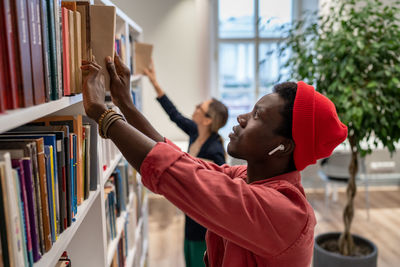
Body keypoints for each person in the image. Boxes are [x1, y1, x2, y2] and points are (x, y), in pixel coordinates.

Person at [81, 55, 348, 267]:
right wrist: (125, 104)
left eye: (257, 115)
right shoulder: (244, 177)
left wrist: (102, 115)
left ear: (282, 146)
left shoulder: (285, 212)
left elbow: (183, 176)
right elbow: (183, 161)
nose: (241, 118)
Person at [143, 62, 228, 267]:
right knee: (188, 257)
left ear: (208, 120)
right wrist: (154, 82)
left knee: (200, 259)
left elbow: (219, 187)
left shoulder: (215, 150)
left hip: (205, 219)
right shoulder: (195, 131)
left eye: (201, 107)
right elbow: (174, 114)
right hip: (191, 210)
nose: (196, 107)